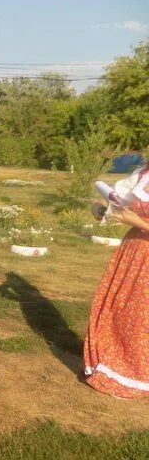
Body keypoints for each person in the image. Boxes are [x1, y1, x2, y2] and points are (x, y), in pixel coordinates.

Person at [84, 162, 149, 399]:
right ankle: (114, 363)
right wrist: (102, 209)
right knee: (118, 310)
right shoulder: (142, 175)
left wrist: (137, 222)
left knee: (142, 317)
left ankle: (138, 374)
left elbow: (135, 219)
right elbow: (117, 202)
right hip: (133, 251)